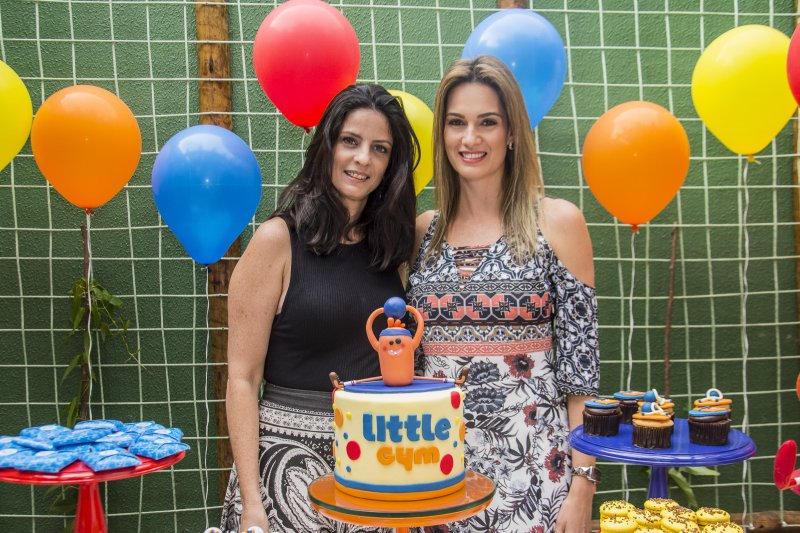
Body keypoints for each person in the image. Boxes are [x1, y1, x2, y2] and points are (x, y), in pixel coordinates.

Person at [406, 56, 600, 533]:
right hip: (437, 481)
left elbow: (583, 377)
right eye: (456, 123)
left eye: (487, 123)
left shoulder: (557, 224)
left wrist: (582, 489)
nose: (470, 139)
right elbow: (409, 367)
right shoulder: (420, 235)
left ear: (511, 132)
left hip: (536, 481)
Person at [221, 84, 418, 533]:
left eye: (379, 149)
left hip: (375, 462)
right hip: (284, 467)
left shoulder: (392, 251)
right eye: (350, 141)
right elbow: (243, 379)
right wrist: (253, 501)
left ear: (391, 166)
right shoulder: (277, 241)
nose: (362, 159)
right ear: (327, 146)